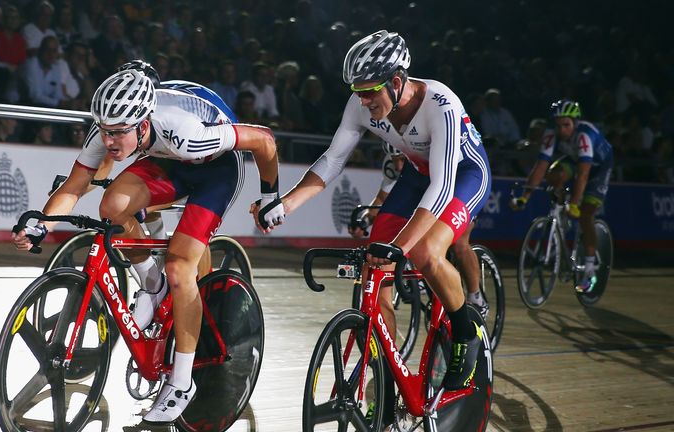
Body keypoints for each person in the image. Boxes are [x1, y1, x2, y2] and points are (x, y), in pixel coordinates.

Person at [13, 67, 284, 424]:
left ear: (142, 124)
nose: (109, 142)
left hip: (216, 169)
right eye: (105, 132)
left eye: (118, 134)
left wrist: (270, 198)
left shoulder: (187, 132)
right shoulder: (112, 130)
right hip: (167, 160)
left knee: (179, 266)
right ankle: (152, 285)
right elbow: (74, 187)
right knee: (111, 205)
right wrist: (40, 225)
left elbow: (264, 140)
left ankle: (182, 383)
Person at [258, 30, 491, 405]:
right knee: (375, 261)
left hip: (463, 175)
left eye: (370, 91)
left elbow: (443, 186)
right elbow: (333, 160)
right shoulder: (362, 103)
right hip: (417, 174)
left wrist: (402, 246)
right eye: (357, 91)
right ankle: (385, 370)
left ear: (397, 82)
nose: (363, 100)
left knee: (426, 252)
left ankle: (466, 332)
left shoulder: (440, 103)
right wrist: (285, 204)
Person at [350, 143, 488, 317]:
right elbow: (382, 197)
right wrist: (366, 219)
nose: (398, 165)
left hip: (454, 187)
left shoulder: (432, 152)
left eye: (401, 159)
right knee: (410, 228)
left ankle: (475, 295)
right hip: (420, 191)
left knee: (459, 244)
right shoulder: (392, 165)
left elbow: (442, 190)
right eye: (394, 160)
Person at [510, 100, 613, 293]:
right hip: (575, 160)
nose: (562, 130)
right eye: (558, 125)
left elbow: (583, 175)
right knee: (553, 173)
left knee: (585, 214)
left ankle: (590, 269)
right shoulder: (551, 134)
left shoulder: (585, 135)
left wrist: (575, 203)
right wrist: (526, 195)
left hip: (598, 168)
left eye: (566, 125)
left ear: (575, 123)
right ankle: (560, 211)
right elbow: (540, 166)